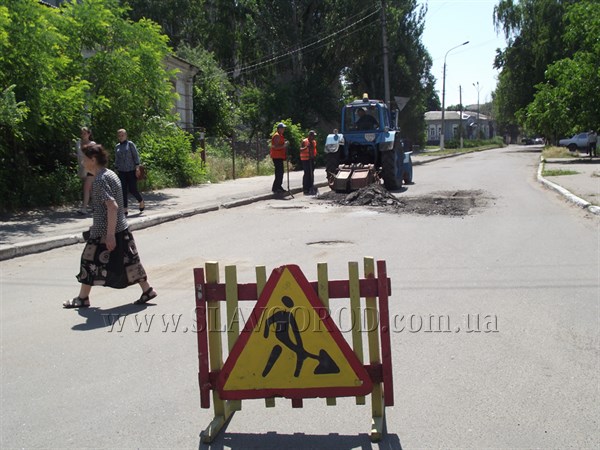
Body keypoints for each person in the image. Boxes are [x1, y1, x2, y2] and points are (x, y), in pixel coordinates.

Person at [63, 143, 157, 308]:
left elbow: (112, 206)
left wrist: (110, 235)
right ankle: (147, 290)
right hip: (121, 227)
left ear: (93, 159)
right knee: (130, 261)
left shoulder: (99, 179)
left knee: (88, 262)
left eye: (85, 159)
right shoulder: (110, 174)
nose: (83, 163)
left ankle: (83, 298)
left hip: (105, 232)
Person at [114, 129, 144, 216]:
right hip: (121, 171)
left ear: (126, 135)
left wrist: (137, 168)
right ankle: (125, 209)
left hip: (131, 170)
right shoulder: (117, 147)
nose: (121, 137)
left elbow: (136, 156)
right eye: (119, 135)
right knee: (123, 191)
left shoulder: (130, 144)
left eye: (122, 135)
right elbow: (117, 159)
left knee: (133, 189)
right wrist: (116, 169)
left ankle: (141, 201)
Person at [75, 127, 96, 215]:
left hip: (90, 168)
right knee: (90, 188)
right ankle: (95, 205)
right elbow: (79, 155)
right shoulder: (78, 143)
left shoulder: (92, 144)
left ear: (89, 134)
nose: (83, 135)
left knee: (86, 188)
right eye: (82, 133)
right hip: (82, 168)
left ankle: (84, 208)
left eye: (85, 133)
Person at [270, 123, 288, 193]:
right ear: (278, 129)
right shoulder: (277, 136)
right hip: (276, 156)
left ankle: (279, 186)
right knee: (279, 172)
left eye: (283, 128)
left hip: (280, 156)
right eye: (282, 128)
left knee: (281, 172)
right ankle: (275, 188)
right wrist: (284, 146)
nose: (283, 129)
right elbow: (275, 146)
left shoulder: (281, 136)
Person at [300, 130, 318, 195]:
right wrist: (306, 147)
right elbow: (300, 149)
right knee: (307, 173)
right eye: (313, 136)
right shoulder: (304, 141)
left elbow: (314, 150)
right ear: (310, 136)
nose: (314, 137)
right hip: (305, 159)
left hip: (311, 159)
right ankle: (305, 188)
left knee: (311, 173)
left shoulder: (314, 142)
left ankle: (311, 187)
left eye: (314, 136)